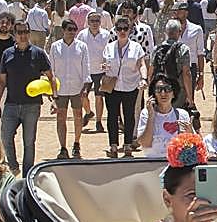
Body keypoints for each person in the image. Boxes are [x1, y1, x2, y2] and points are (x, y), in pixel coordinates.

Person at [0, 19, 55, 176]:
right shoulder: (7, 54)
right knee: (6, 137)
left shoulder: (39, 54)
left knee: (29, 142)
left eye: (26, 32)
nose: (23, 35)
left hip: (32, 106)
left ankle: (27, 175)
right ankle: (13, 166)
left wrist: (54, 97)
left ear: (29, 33)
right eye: (19, 32)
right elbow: (2, 81)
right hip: (11, 104)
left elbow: (50, 76)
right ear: (14, 35)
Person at [102, 15, 149, 158]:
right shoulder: (109, 47)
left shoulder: (136, 47)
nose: (122, 31)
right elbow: (104, 64)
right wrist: (104, 66)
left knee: (129, 116)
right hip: (113, 86)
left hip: (130, 85)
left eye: (125, 29)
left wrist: (144, 78)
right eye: (119, 29)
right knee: (112, 116)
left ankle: (128, 144)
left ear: (130, 30)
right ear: (115, 30)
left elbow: (142, 65)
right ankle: (113, 145)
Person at [48, 20, 92, 159]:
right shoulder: (55, 47)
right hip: (60, 89)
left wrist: (85, 88)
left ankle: (77, 143)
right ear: (63, 30)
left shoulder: (82, 47)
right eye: (69, 29)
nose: (72, 32)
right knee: (60, 118)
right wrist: (52, 92)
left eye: (74, 29)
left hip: (77, 88)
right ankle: (63, 147)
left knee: (78, 116)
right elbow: (52, 71)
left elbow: (86, 68)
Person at [137, 76, 192, 158]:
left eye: (167, 89)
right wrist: (151, 116)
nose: (163, 93)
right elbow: (145, 143)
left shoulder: (182, 114)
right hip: (152, 162)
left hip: (175, 163)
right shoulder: (146, 113)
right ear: (153, 94)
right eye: (159, 89)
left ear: (173, 93)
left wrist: (189, 133)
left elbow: (191, 146)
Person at [77, 10, 112, 133]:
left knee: (99, 97)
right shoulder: (82, 35)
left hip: (101, 71)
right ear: (88, 22)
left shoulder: (106, 35)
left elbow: (110, 51)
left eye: (97, 21)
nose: (95, 23)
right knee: (83, 96)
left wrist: (107, 65)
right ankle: (88, 112)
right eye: (92, 21)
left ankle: (98, 121)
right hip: (85, 70)